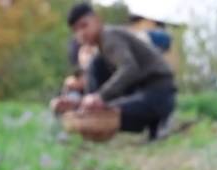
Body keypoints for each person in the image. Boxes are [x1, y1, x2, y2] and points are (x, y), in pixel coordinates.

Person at [52, 3, 176, 140]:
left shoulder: (109, 36)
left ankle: (159, 118)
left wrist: (100, 97)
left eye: (84, 25)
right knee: (96, 68)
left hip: (158, 89)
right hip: (141, 89)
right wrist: (80, 103)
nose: (81, 33)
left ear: (97, 20)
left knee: (105, 110)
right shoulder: (100, 51)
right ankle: (89, 113)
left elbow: (129, 68)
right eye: (75, 30)